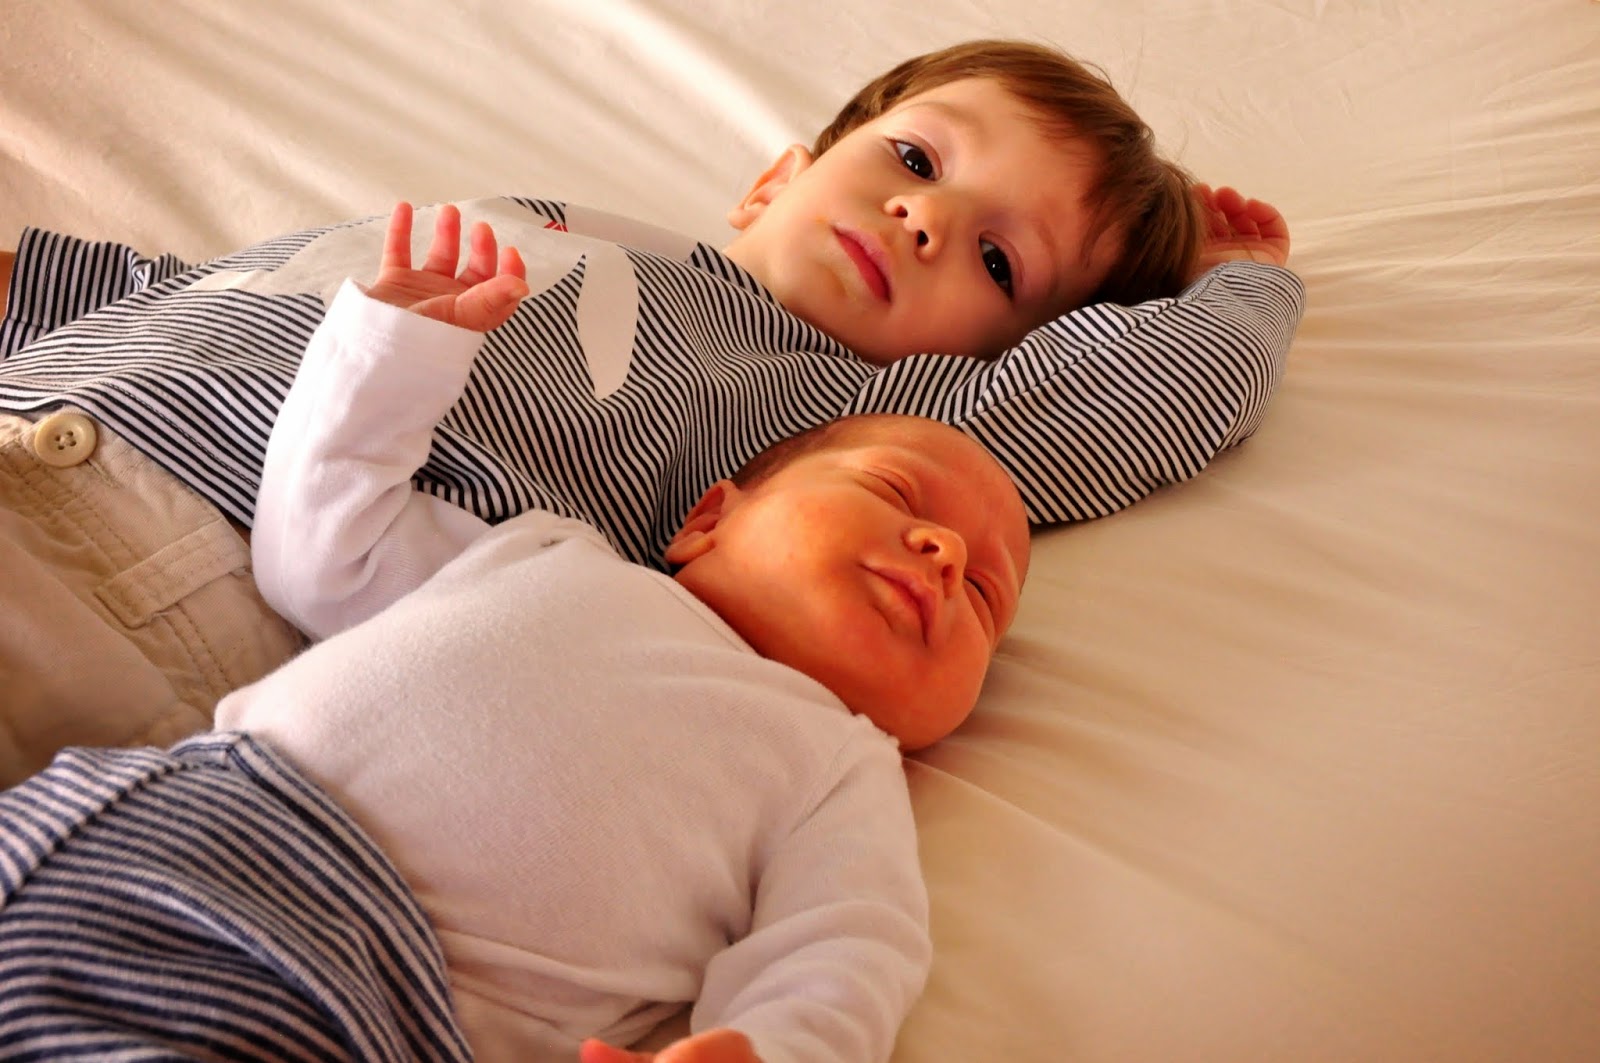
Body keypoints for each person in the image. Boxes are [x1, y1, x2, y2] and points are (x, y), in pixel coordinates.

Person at [0, 39, 1301, 785]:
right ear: (774, 181)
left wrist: (1245, 283)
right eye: (915, 158)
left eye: (1000, 262)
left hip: (196, 563)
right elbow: (203, 290)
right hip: (54, 404)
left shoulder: (840, 420)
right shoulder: (562, 221)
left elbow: (1142, 392)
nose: (927, 216)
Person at [0, 211, 1033, 1062]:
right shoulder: (550, 554)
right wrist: (394, 350)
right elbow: (318, 553)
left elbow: (847, 952)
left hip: (356, 993)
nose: (945, 552)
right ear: (708, 518)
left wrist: (767, 1047)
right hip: (159, 815)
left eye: (987, 597)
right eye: (895, 493)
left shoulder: (840, 769)